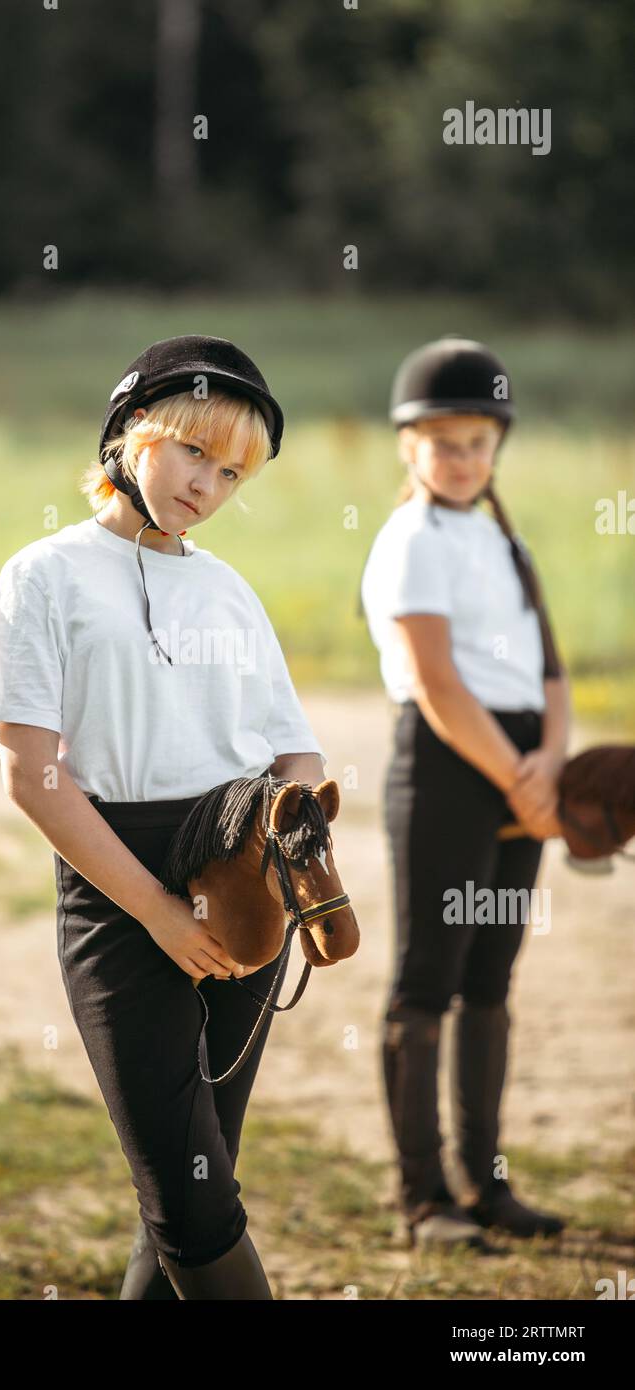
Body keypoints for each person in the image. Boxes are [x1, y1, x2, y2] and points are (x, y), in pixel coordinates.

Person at [0, 335, 327, 1298]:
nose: (209, 484)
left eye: (233, 471)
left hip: (243, 885)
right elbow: (34, 777)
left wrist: (297, 846)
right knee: (187, 1200)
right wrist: (159, 911)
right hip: (120, 891)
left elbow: (294, 749)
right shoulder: (44, 576)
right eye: (194, 452)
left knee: (196, 1181)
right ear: (131, 433)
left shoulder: (231, 592)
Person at [360, 335, 568, 1249]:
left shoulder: (503, 537)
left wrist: (551, 767)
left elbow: (553, 673)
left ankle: (487, 1183)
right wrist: (517, 779)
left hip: (523, 770)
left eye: (478, 443)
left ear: (497, 448)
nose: (461, 459)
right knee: (428, 978)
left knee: (492, 975)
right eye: (442, 443)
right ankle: (422, 1197)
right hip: (450, 768)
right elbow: (437, 682)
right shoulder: (411, 539)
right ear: (410, 447)